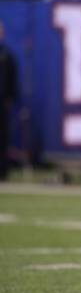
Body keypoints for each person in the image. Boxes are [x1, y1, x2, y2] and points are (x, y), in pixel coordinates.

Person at [0, 21, 17, 181]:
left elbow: (13, 78)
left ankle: (3, 171)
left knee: (3, 137)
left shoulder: (6, 54)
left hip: (2, 102)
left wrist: (10, 97)